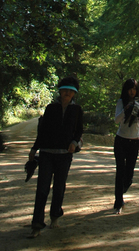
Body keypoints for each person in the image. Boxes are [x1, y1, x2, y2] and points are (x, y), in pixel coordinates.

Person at [28, 76, 83, 238]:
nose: (67, 93)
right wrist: (34, 149)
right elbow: (42, 130)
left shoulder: (77, 110)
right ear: (59, 91)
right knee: (42, 189)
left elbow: (79, 130)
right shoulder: (51, 108)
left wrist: (74, 142)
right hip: (46, 154)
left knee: (59, 188)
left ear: (74, 94)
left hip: (65, 155)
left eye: (70, 91)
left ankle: (55, 217)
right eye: (64, 90)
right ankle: (36, 225)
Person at [113, 78, 139, 213]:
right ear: (125, 90)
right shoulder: (121, 102)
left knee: (129, 175)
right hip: (120, 140)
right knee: (120, 171)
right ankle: (118, 202)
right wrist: (125, 110)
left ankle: (120, 194)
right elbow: (116, 120)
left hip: (134, 141)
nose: (132, 91)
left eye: (134, 89)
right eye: (129, 89)